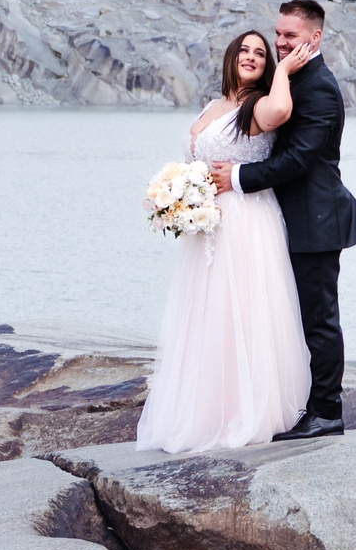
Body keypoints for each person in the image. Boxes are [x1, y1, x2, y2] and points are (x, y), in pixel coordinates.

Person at [135, 29, 315, 451]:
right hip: (208, 225)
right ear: (231, 56)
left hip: (246, 220)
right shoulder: (215, 105)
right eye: (245, 50)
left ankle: (245, 411)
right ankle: (204, 409)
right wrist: (179, 192)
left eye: (260, 52)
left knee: (243, 311)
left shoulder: (260, 105)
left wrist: (284, 71)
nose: (252, 56)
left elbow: (282, 110)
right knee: (206, 314)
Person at [209, 0, 356, 440]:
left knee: (319, 319)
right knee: (289, 315)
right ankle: (293, 403)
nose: (280, 42)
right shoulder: (289, 78)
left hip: (317, 220)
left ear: (315, 38)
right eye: (278, 34)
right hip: (284, 219)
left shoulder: (318, 85)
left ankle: (327, 412)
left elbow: (300, 158)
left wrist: (238, 177)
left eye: (290, 36)